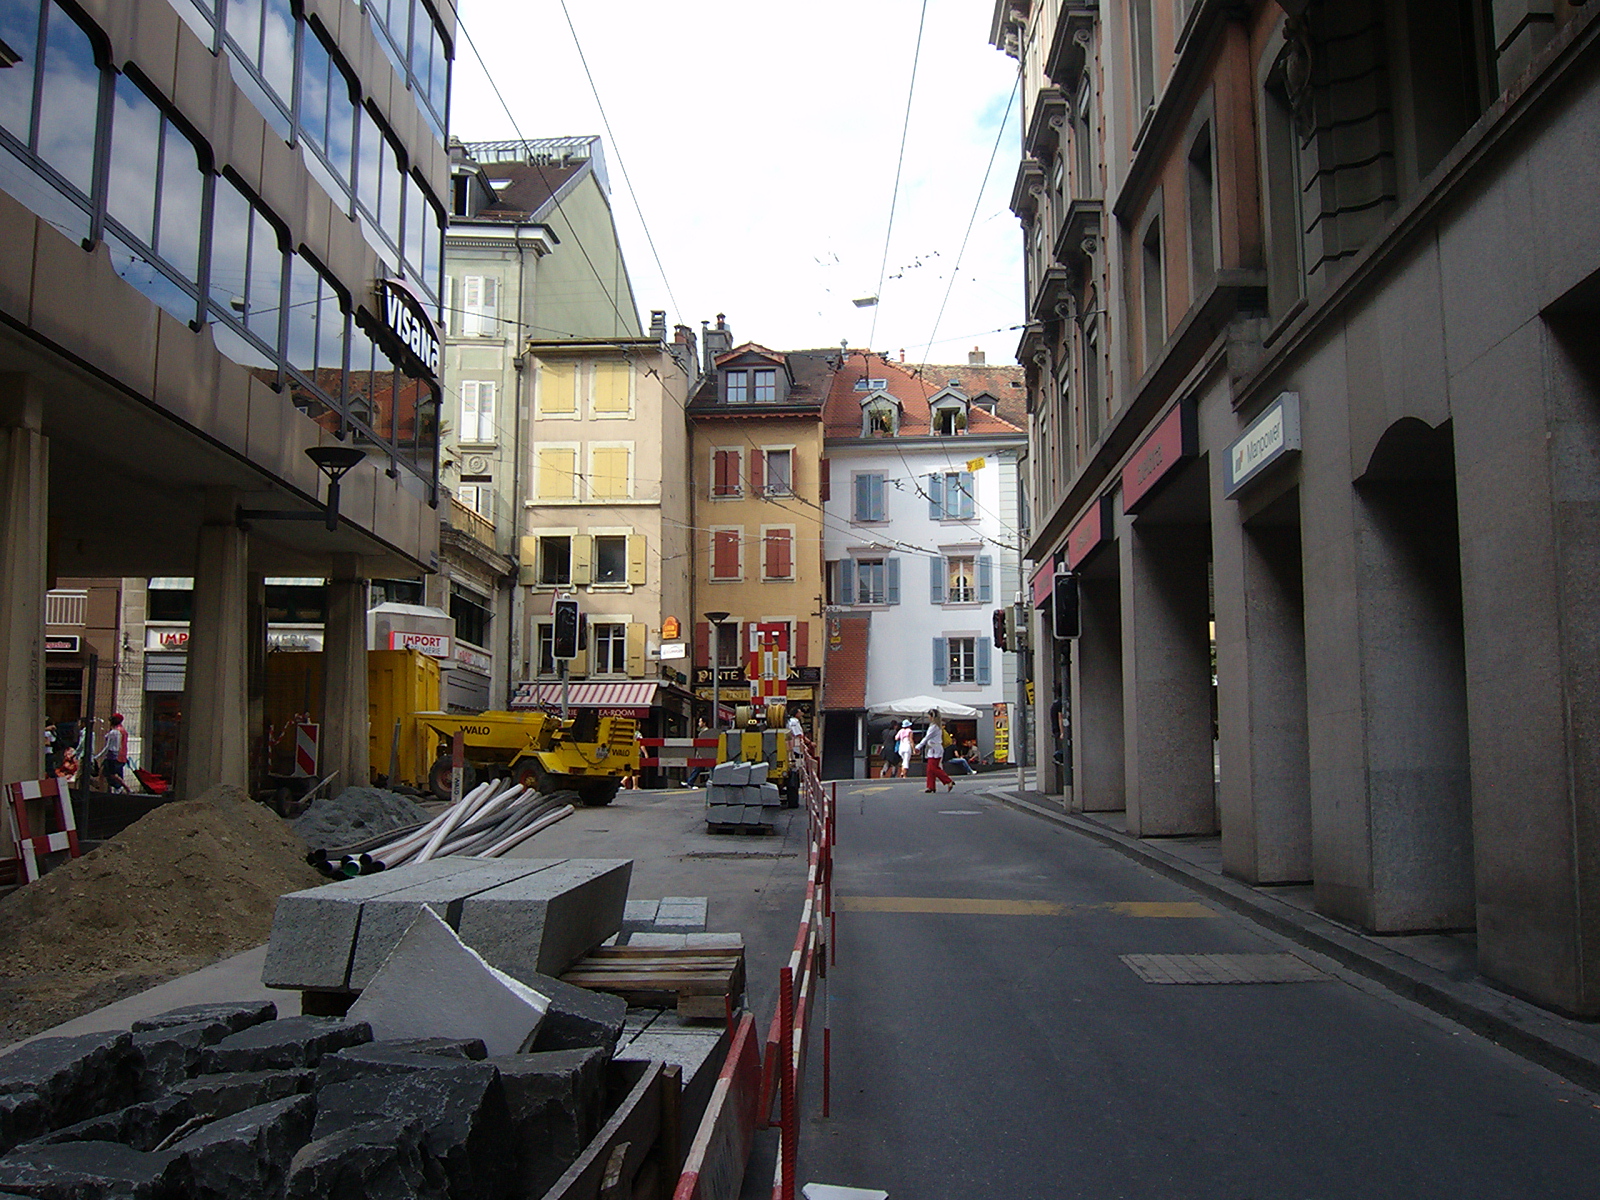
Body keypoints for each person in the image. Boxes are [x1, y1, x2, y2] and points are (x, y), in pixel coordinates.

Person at [918, 716, 954, 793]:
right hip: (934, 749)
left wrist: (918, 746)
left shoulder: (934, 727)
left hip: (935, 749)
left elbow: (927, 737)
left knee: (933, 768)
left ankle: (947, 781)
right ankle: (931, 786)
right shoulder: (937, 726)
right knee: (930, 768)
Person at [101, 713, 130, 793]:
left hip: (115, 756)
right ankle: (119, 789)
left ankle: (121, 788)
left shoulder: (116, 731)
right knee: (115, 774)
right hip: (122, 755)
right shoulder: (123, 730)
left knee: (109, 773)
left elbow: (114, 745)